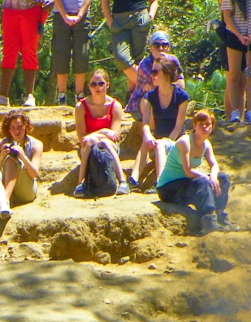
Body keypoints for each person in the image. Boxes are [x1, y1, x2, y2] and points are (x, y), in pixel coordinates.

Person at [156, 108, 236, 235]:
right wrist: (207, 177)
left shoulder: (206, 144)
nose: (204, 127)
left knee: (223, 178)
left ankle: (221, 215)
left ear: (212, 126)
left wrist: (214, 177)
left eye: (208, 124)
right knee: (202, 181)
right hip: (168, 189)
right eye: (201, 124)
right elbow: (188, 171)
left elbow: (214, 164)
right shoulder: (185, 141)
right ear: (194, 125)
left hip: (185, 184)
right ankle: (209, 221)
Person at [131, 58, 188, 189]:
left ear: (167, 74)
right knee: (147, 142)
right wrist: (148, 135)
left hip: (175, 140)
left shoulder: (181, 96)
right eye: (152, 72)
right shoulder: (150, 96)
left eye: (156, 72)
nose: (152, 76)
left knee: (161, 144)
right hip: (158, 139)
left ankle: (160, 182)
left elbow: (179, 126)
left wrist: (165, 142)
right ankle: (133, 179)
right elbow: (145, 122)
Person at [73, 68, 130, 197]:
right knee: (90, 141)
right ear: (89, 86)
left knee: (104, 141)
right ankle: (80, 183)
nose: (97, 87)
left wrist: (95, 135)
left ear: (107, 85)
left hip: (110, 147)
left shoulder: (115, 106)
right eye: (93, 84)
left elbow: (114, 136)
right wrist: (104, 131)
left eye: (101, 84)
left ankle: (122, 181)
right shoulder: (81, 107)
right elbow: (82, 138)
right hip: (87, 147)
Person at [0, 111, 43, 227]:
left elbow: (33, 174)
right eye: (12, 128)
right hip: (8, 189)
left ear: (26, 126)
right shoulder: (0, 145)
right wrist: (1, 156)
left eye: (20, 127)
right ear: (8, 129)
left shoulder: (36, 145)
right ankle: (4, 205)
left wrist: (22, 155)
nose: (16, 132)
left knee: (11, 161)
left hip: (26, 190)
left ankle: (3, 203)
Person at [220, 0, 251, 123]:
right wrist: (239, 36)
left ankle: (250, 111)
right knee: (234, 76)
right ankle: (235, 112)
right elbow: (227, 17)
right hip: (234, 36)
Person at [100, 0, 158, 96]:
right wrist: (110, 23)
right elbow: (105, 0)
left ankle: (133, 98)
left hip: (140, 17)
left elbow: (153, 0)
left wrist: (150, 16)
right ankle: (150, 88)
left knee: (136, 60)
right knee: (122, 58)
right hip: (119, 21)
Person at [0, 0, 49, 107]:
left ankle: (29, 96)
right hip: (10, 8)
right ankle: (2, 96)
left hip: (32, 10)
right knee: (9, 51)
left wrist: (50, 1)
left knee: (30, 51)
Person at [124, 30, 184, 119]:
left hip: (164, 98)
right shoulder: (145, 64)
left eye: (164, 45)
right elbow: (158, 89)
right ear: (151, 48)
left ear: (168, 47)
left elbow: (181, 84)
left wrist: (168, 86)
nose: (160, 48)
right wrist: (172, 85)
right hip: (141, 102)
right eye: (156, 45)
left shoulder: (173, 60)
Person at [52, 0, 93, 105]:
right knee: (61, 54)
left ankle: (79, 96)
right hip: (60, 16)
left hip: (82, 17)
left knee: (81, 55)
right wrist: (65, 16)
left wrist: (80, 15)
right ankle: (61, 96)